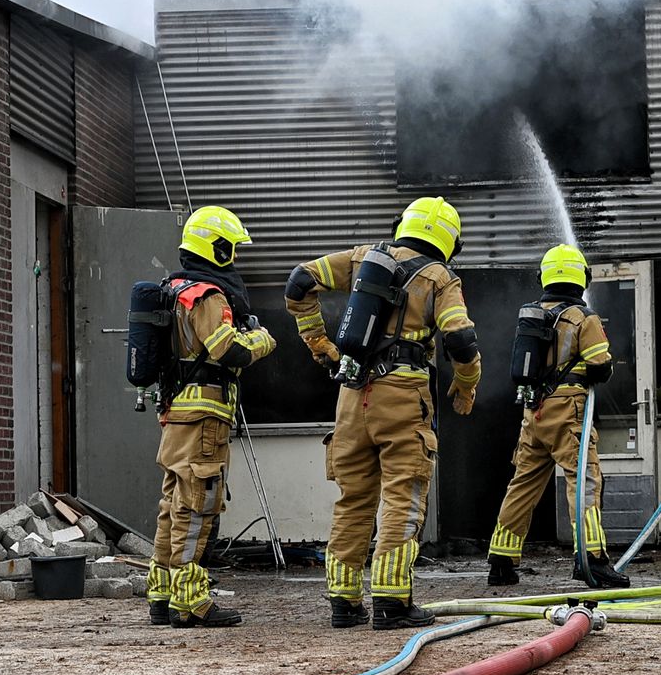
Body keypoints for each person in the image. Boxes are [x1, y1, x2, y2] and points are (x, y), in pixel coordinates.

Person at [285, 196, 481, 630]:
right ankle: (393, 602)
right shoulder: (439, 277)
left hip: (352, 396)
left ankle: (344, 602)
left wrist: (319, 343)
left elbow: (299, 282)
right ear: (448, 240)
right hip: (403, 395)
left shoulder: (362, 259)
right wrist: (466, 384)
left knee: (353, 500)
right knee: (402, 495)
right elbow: (461, 340)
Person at [146, 206, 277, 628]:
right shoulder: (207, 295)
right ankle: (191, 601)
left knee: (172, 503)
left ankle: (162, 594)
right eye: (232, 249)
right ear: (216, 248)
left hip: (178, 410)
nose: (234, 258)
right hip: (204, 415)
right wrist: (261, 337)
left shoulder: (174, 288)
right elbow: (229, 351)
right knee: (197, 506)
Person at [487, 244, 630, 589]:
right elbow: (600, 364)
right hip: (568, 410)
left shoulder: (532, 314)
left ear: (545, 277)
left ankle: (501, 562)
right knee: (584, 481)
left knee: (523, 483)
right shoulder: (583, 317)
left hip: (533, 411)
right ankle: (591, 560)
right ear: (581, 278)